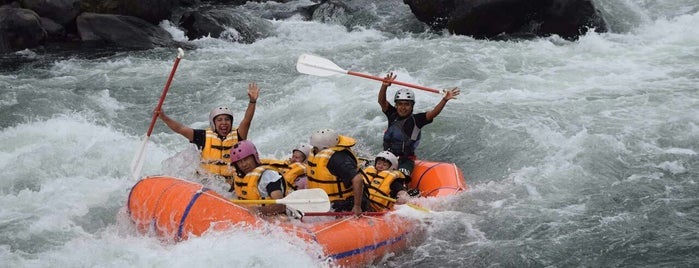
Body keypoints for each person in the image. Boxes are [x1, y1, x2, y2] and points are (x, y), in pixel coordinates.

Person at [155, 82, 260, 189]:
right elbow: (180, 129)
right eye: (219, 120)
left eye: (227, 119)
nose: (224, 123)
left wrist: (252, 101)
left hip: (230, 187)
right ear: (213, 123)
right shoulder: (202, 136)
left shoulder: (238, 135)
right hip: (206, 185)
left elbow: (247, 121)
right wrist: (163, 117)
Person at [378, 73, 460, 181]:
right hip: (387, 157)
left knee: (399, 178)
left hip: (405, 161)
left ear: (412, 106)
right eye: (400, 104)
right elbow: (382, 101)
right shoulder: (392, 114)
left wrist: (444, 100)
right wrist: (384, 86)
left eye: (407, 104)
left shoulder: (417, 120)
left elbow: (433, 113)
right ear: (396, 105)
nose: (403, 107)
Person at [306, 129, 368, 216]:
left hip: (344, 203)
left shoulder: (337, 159)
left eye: (315, 148)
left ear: (324, 148)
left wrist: (357, 206)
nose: (313, 149)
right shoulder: (317, 154)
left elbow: (358, 179)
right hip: (325, 203)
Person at [229, 140, 287, 216]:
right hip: (249, 218)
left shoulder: (268, 175)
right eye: (239, 162)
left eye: (246, 159)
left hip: (273, 219)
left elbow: (281, 206)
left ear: (254, 157)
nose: (244, 164)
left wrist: (258, 211)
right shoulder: (239, 177)